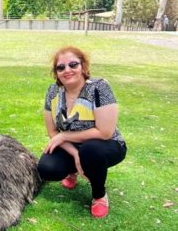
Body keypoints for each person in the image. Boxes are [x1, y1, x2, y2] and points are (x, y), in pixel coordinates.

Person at [37, 46, 127, 218]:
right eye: (60, 67)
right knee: (47, 168)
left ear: (83, 67)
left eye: (73, 64)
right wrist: (75, 153)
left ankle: (99, 195)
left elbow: (105, 132)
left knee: (90, 151)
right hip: (72, 147)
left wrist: (65, 136)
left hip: (105, 145)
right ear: (56, 73)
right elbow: (52, 131)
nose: (67, 70)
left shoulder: (100, 88)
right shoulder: (52, 91)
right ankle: (74, 168)